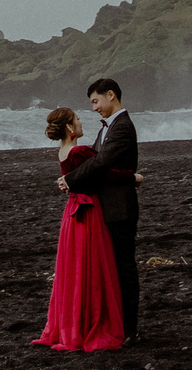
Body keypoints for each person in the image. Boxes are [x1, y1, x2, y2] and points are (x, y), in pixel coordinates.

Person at [33, 106, 125, 352]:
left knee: (73, 268)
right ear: (69, 127)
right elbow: (105, 173)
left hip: (72, 212)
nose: (82, 122)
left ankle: (69, 325)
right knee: (92, 267)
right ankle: (89, 325)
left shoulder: (62, 152)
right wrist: (133, 177)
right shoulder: (79, 152)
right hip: (88, 211)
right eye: (78, 119)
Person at [60, 77, 140, 340]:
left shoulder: (122, 127)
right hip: (103, 207)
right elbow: (96, 162)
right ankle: (115, 324)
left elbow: (102, 162)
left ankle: (129, 329)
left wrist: (70, 179)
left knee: (123, 268)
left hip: (119, 208)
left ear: (110, 95)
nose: (94, 108)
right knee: (111, 270)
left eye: (96, 101)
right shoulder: (107, 127)